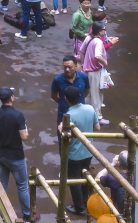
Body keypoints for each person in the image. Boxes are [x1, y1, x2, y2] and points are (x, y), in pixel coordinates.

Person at [0, 87, 33, 223]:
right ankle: (26, 216)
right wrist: (25, 126)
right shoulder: (18, 115)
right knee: (22, 186)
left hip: (1, 155)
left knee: (2, 185)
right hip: (16, 157)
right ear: (12, 98)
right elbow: (24, 137)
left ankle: (0, 213)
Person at [58, 85, 99, 216]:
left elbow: (67, 139)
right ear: (80, 96)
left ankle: (79, 207)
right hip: (88, 151)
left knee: (74, 180)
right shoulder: (90, 108)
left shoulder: (69, 115)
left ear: (65, 98)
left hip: (74, 154)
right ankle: (85, 200)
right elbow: (97, 127)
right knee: (85, 176)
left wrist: (60, 128)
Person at [79, 22, 110, 125]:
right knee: (97, 94)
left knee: (88, 94)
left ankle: (85, 114)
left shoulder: (89, 38)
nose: (105, 32)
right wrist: (105, 63)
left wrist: (83, 64)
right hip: (95, 71)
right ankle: (98, 117)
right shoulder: (98, 42)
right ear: (100, 31)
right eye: (104, 30)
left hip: (87, 70)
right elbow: (97, 56)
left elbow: (81, 51)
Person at [50, 55, 90, 123]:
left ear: (76, 65)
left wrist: (76, 101)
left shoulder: (83, 77)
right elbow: (53, 96)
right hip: (64, 114)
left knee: (80, 133)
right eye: (65, 67)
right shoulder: (57, 80)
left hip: (80, 113)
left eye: (70, 67)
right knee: (62, 132)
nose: (67, 70)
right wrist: (63, 102)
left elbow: (86, 92)